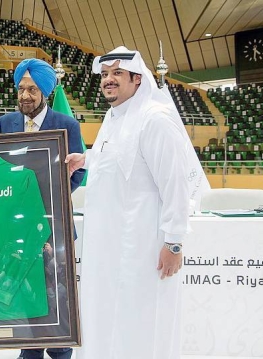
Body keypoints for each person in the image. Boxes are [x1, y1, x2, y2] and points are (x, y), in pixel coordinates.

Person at [64, 46, 193, 359]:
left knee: (140, 324)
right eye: (105, 74)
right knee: (107, 320)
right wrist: (86, 159)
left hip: (142, 250)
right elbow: (119, 160)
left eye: (117, 74)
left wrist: (174, 243)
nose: (109, 80)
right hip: (108, 250)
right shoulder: (114, 116)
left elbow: (176, 184)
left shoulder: (155, 121)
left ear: (137, 79)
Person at [0, 58, 85, 359]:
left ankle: (60, 352)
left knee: (58, 295)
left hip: (55, 226)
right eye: (21, 89)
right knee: (26, 293)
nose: (25, 96)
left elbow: (80, 173)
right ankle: (29, 351)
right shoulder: (5, 123)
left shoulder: (66, 124)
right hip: (17, 227)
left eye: (32, 89)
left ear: (46, 91)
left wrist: (51, 202)